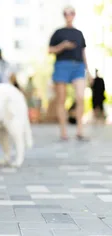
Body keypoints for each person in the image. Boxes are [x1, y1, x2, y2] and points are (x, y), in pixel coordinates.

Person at [49, 5, 91, 141]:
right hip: (62, 65)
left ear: (74, 15)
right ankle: (63, 132)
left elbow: (83, 52)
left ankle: (80, 130)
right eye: (66, 13)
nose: (69, 15)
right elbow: (50, 50)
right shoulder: (58, 32)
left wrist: (88, 71)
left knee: (80, 97)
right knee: (61, 99)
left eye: (71, 13)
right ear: (63, 15)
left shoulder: (79, 33)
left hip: (78, 66)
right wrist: (63, 46)